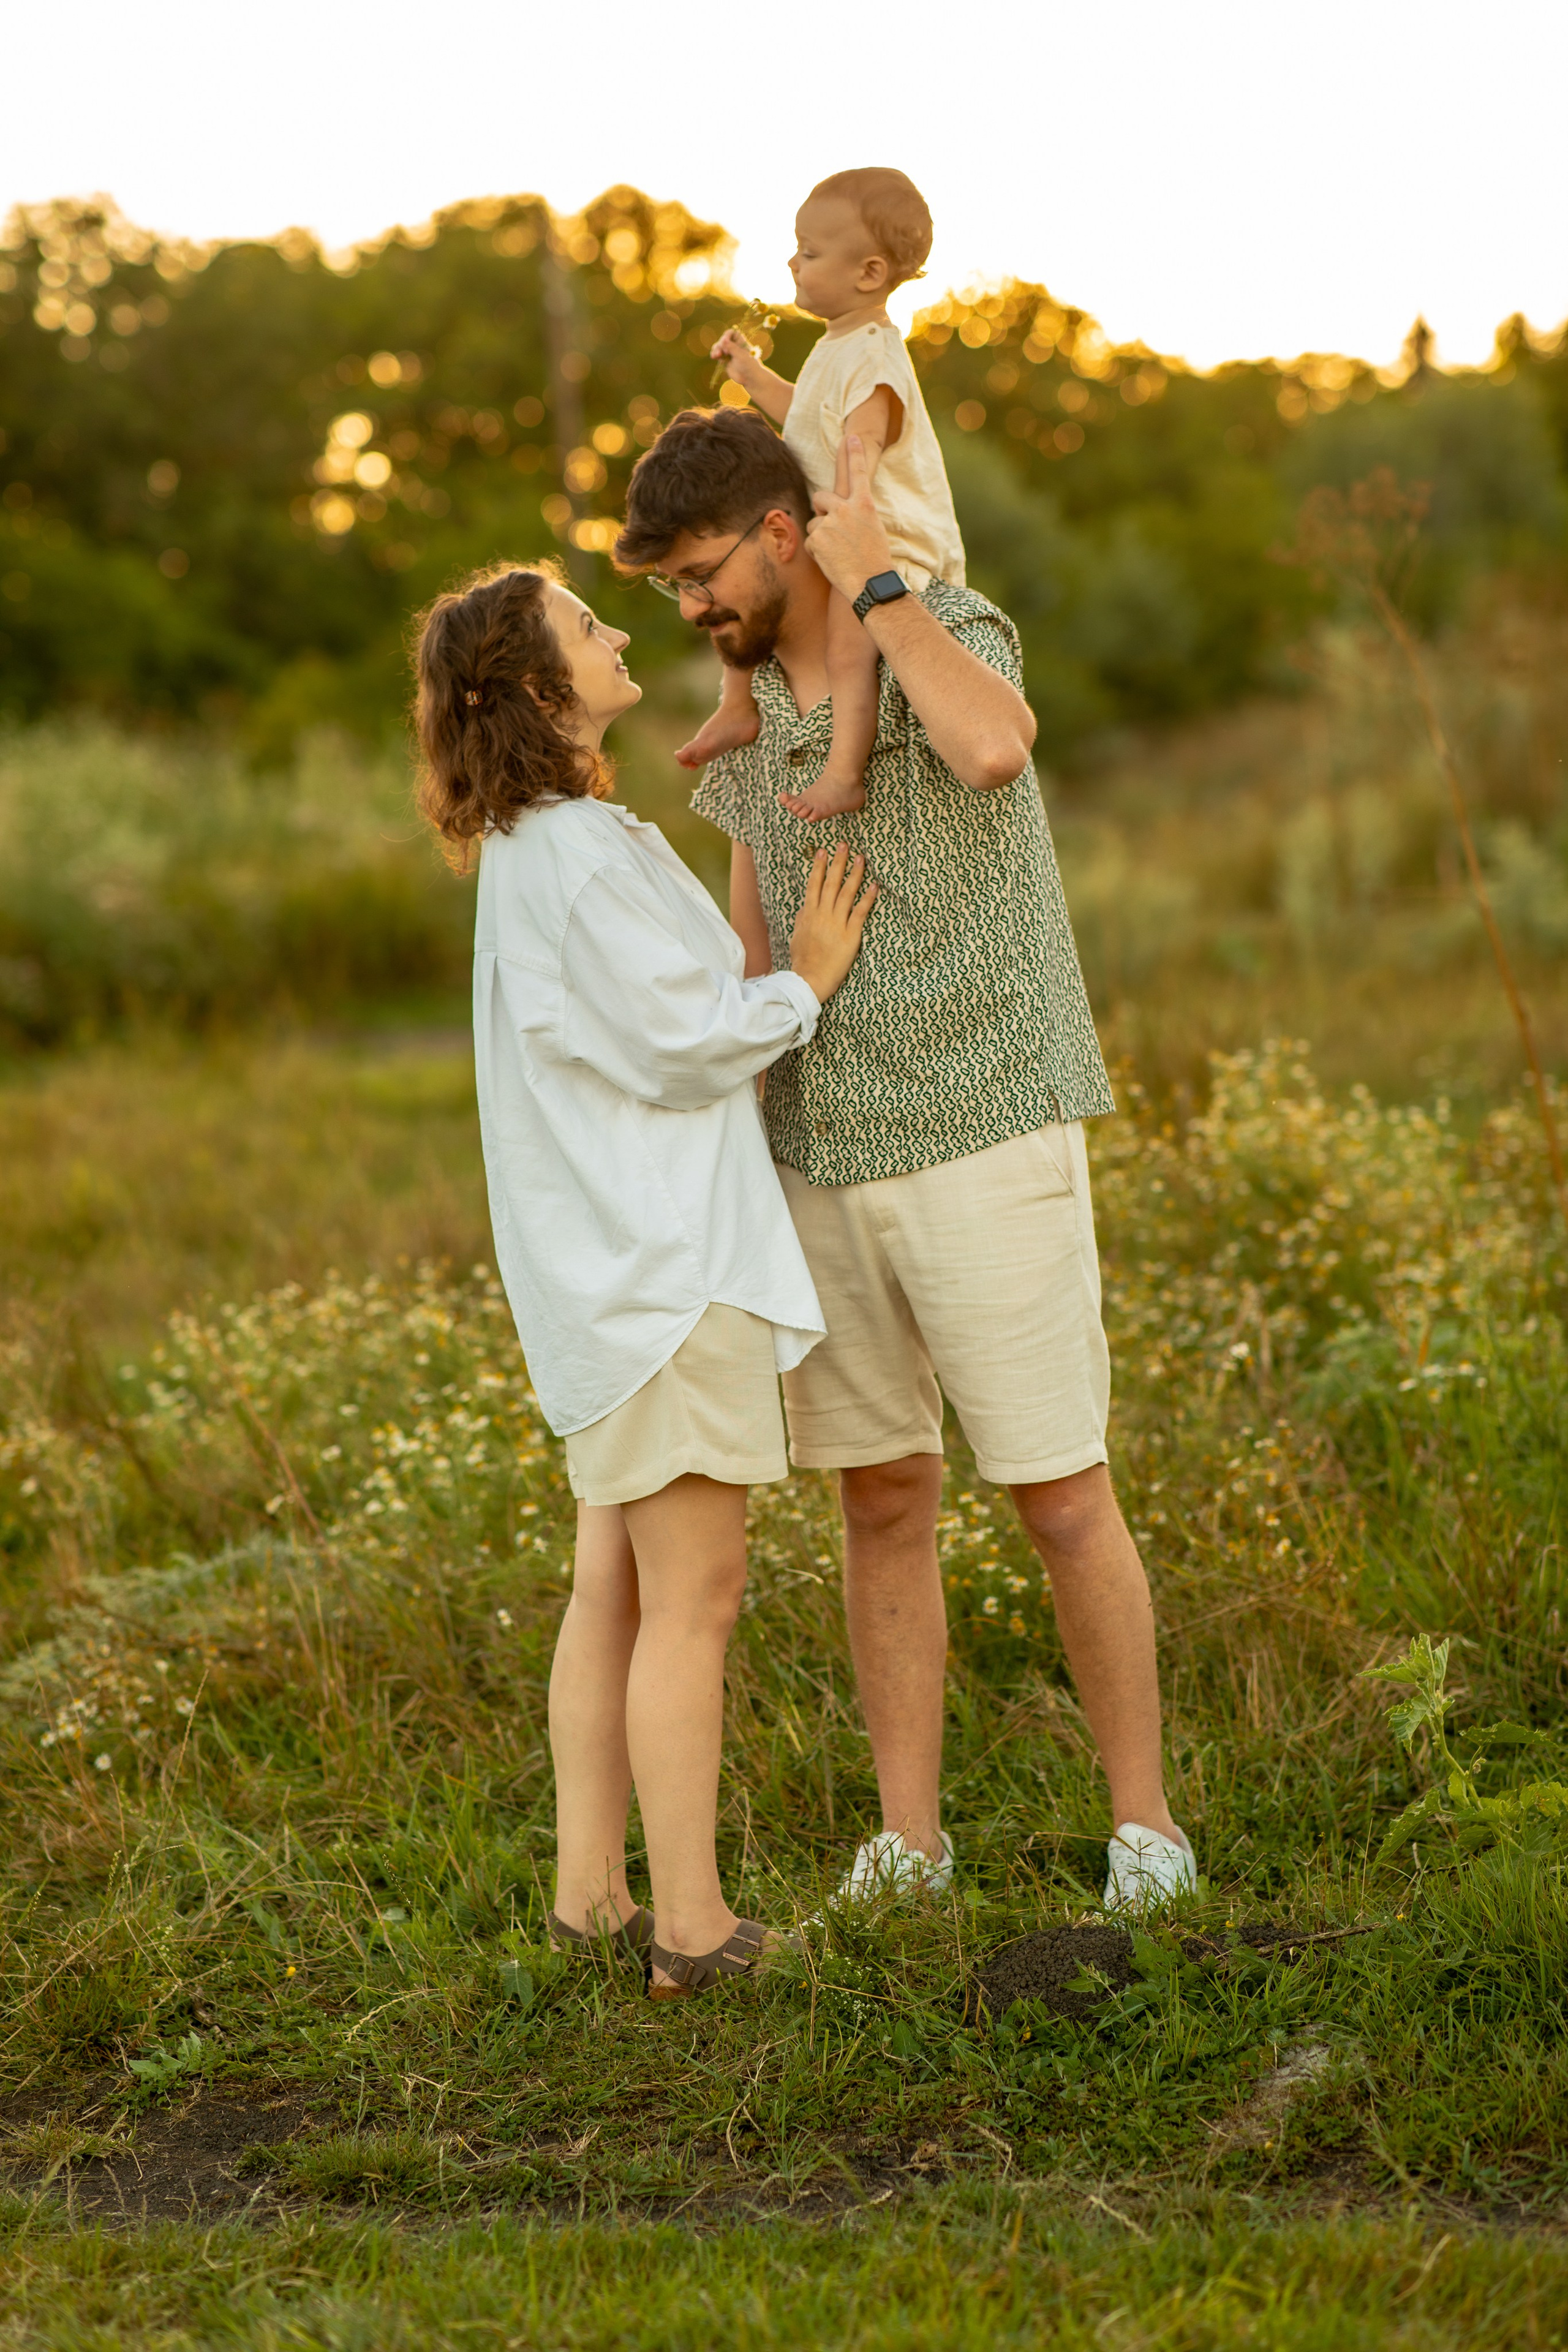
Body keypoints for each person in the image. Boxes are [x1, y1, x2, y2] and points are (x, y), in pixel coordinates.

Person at [613, 409, 1196, 1912]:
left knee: (1059, 1494)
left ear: (783, 530)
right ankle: (909, 1842)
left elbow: (997, 747)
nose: (691, 609)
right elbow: (750, 941)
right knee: (882, 1495)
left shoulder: (934, 614)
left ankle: (1143, 1826)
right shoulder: (742, 710)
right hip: (816, 1148)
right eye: (671, 587)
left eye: (699, 573)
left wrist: (877, 587)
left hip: (985, 1120)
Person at [412, 560, 876, 1992]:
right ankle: (691, 1929)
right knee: (697, 1590)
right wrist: (801, 979)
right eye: (590, 626)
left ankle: (589, 1898)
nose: (622, 633)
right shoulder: (566, 853)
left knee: (611, 1579)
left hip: (619, 1264)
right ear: (546, 689)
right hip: (659, 1267)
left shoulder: (552, 840)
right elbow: (677, 1042)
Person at [679, 167, 965, 826]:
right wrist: (748, 372)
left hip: (878, 540)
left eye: (808, 253)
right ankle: (736, 706)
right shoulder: (833, 348)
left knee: (845, 645)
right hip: (835, 529)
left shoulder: (876, 356)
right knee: (749, 591)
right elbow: (806, 416)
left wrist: (842, 543)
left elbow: (857, 447)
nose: (793, 263)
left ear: (868, 273)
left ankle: (843, 775)